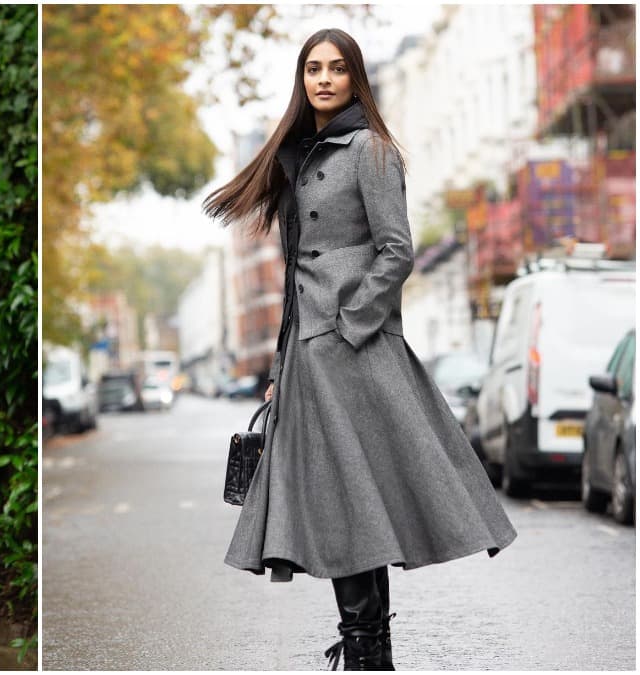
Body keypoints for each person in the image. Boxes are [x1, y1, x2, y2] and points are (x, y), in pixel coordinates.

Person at [202, 28, 516, 671]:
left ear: (354, 78)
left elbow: (397, 249)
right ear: (302, 79)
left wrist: (349, 325)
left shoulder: (369, 150)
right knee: (348, 507)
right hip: (310, 359)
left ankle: (369, 652)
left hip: (356, 354)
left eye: (336, 68)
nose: (323, 78)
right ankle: (371, 652)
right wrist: (281, 364)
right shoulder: (300, 157)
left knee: (355, 504)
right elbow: (294, 278)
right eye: (313, 68)